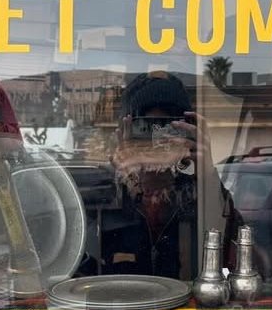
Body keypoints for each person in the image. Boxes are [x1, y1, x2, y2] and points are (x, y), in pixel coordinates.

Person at [95, 71, 237, 282]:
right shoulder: (106, 194)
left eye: (168, 127)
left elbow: (237, 253)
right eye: (145, 127)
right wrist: (121, 174)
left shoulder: (198, 194)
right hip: (121, 302)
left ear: (187, 131)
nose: (157, 139)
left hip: (187, 303)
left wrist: (207, 173)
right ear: (124, 131)